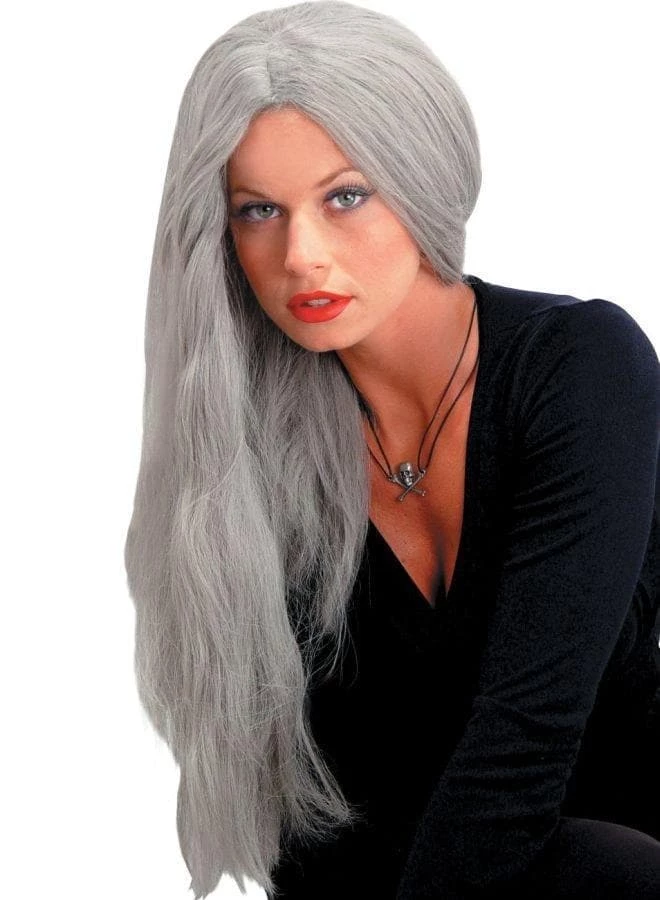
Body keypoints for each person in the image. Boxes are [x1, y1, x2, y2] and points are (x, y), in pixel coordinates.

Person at [123, 2, 660, 897]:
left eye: (345, 196)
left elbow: (521, 751)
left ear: (419, 177)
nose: (301, 255)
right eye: (259, 210)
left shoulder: (581, 369)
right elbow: (311, 827)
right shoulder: (248, 458)